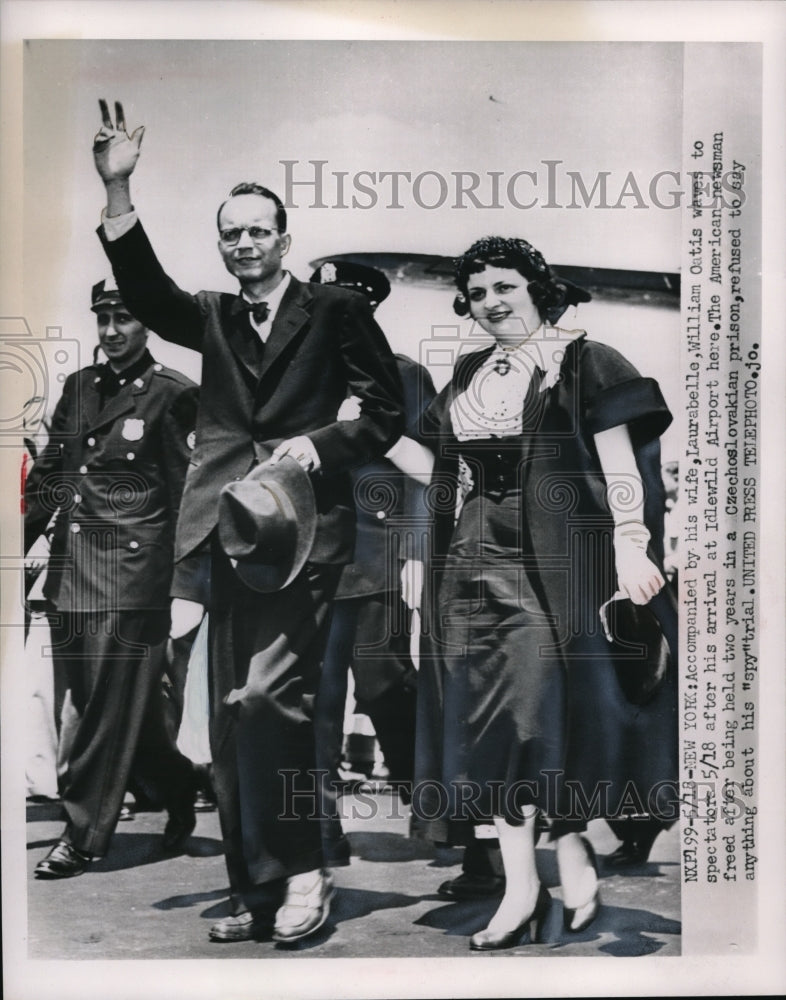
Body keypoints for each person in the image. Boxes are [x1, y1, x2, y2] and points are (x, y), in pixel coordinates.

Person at [92, 101, 403, 944]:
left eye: (258, 232)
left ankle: (307, 874)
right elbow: (150, 290)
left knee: (275, 703)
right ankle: (255, 886)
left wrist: (317, 444)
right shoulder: (216, 317)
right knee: (232, 715)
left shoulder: (336, 309)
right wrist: (119, 192)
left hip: (304, 540)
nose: (244, 245)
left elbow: (386, 412)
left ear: (283, 238)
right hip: (223, 535)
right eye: (231, 234)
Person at [391, 235, 678, 950]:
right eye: (479, 291)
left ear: (536, 290)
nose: (491, 302)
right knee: (484, 724)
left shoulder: (582, 360)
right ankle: (523, 886)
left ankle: (571, 845)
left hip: (545, 559)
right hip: (466, 558)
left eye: (505, 287)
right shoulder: (468, 373)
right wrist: (368, 441)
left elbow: (620, 463)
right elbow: (442, 473)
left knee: (531, 718)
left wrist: (630, 543)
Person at [26, 277, 200, 878]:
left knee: (97, 714)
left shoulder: (174, 395)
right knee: (121, 712)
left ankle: (82, 835)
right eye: (102, 318)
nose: (111, 331)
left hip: (131, 581)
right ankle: (178, 785)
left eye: (123, 318)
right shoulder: (81, 388)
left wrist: (185, 586)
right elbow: (49, 476)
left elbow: (186, 499)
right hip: (70, 573)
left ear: (147, 323)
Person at [309, 260, 436, 863]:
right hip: (307, 561)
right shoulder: (296, 375)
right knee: (315, 702)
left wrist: (413, 553)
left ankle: (434, 812)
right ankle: (319, 832)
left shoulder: (404, 376)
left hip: (376, 557)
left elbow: (431, 474)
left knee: (388, 688)